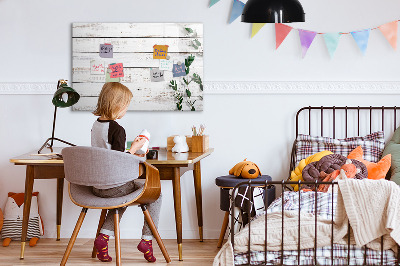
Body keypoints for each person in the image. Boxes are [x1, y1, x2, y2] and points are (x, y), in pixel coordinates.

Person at [91, 82, 161, 263]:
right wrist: (136, 148)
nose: (126, 110)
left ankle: (103, 238)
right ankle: (147, 240)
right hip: (114, 186)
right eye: (126, 106)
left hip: (97, 186)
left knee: (121, 197)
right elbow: (119, 161)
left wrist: (131, 149)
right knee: (156, 194)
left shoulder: (96, 125)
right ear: (117, 105)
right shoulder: (117, 129)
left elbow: (108, 154)